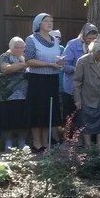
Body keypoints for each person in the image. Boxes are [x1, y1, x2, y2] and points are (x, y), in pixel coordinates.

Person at [24, 13, 64, 152]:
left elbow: (56, 58)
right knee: (37, 111)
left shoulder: (55, 40)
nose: (50, 23)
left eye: (51, 20)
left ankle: (46, 143)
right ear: (38, 24)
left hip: (52, 79)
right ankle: (36, 143)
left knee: (49, 111)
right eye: (46, 21)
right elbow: (28, 61)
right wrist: (49, 64)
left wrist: (58, 62)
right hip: (37, 80)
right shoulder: (31, 39)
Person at [74, 41, 100, 150]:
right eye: (99, 56)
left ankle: (99, 145)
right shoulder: (82, 61)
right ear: (93, 53)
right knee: (85, 121)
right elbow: (77, 82)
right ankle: (88, 145)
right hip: (86, 97)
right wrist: (77, 100)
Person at [62, 23, 98, 129]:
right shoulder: (73, 44)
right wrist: (78, 70)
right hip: (72, 87)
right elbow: (64, 65)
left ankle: (84, 139)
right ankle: (69, 140)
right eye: (89, 38)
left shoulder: (96, 46)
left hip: (88, 89)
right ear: (83, 35)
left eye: (94, 38)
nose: (91, 40)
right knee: (71, 115)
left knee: (85, 116)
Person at [0, 37, 30, 150]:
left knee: (22, 119)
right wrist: (24, 64)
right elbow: (6, 69)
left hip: (24, 94)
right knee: (8, 119)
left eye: (22, 47)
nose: (19, 49)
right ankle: (8, 143)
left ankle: (22, 142)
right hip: (7, 94)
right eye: (16, 47)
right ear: (10, 47)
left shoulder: (24, 57)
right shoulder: (5, 56)